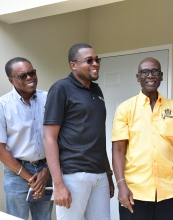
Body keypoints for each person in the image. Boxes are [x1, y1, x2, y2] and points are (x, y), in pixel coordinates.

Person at [111, 57, 173, 220]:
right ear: (138, 77)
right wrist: (121, 184)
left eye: (155, 71)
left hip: (169, 193)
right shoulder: (125, 109)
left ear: (161, 76)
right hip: (135, 192)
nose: (150, 75)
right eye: (145, 72)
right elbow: (118, 149)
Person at [43, 43, 114, 220]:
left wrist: (108, 174)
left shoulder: (97, 90)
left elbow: (98, 136)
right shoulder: (61, 89)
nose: (95, 63)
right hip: (73, 175)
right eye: (89, 60)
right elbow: (49, 138)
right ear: (73, 64)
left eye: (97, 60)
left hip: (99, 176)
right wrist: (58, 184)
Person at [0, 57, 53, 220]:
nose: (29, 78)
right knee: (16, 219)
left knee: (44, 218)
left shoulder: (48, 98)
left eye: (32, 73)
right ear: (11, 80)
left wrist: (45, 172)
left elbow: (59, 137)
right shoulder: (0, 106)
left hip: (45, 170)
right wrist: (31, 179)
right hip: (17, 173)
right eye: (22, 76)